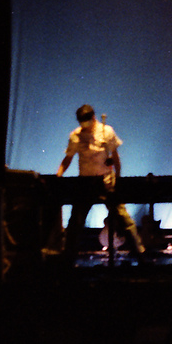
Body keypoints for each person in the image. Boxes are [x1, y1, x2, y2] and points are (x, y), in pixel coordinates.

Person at [55, 104, 145, 259]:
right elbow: (68, 158)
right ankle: (68, 259)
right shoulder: (76, 136)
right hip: (85, 183)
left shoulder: (106, 131)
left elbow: (115, 157)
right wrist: (58, 175)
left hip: (106, 181)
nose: (85, 125)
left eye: (87, 121)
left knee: (123, 217)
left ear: (93, 117)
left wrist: (118, 178)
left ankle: (140, 254)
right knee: (76, 221)